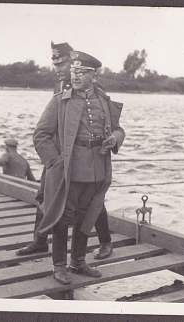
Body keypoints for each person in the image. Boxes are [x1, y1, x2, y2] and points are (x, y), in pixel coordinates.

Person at [33, 50, 125, 284]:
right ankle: (59, 266)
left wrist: (114, 138)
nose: (75, 76)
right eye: (74, 72)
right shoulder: (59, 101)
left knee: (88, 216)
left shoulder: (104, 101)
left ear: (94, 76)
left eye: (82, 73)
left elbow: (119, 129)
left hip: (96, 169)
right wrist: (54, 162)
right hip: (69, 171)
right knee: (63, 218)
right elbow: (41, 135)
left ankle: (78, 262)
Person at [15, 42, 113, 260]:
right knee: (44, 193)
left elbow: (104, 122)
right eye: (55, 64)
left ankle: (105, 241)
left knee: (91, 202)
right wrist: (53, 159)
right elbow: (48, 126)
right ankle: (40, 241)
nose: (58, 68)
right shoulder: (60, 88)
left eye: (62, 63)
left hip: (81, 160)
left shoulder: (93, 90)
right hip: (58, 155)